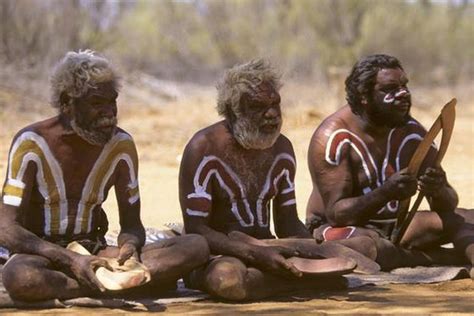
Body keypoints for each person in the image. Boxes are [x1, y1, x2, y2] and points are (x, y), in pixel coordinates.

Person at [0, 50, 209, 301]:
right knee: (21, 277)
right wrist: (71, 259)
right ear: (67, 102)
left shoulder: (121, 146)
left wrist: (129, 248)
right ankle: (122, 284)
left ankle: (94, 283)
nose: (110, 112)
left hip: (97, 250)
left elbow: (132, 225)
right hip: (43, 253)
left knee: (194, 246)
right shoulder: (31, 144)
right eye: (97, 103)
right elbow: (6, 228)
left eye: (113, 101)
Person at [178, 59, 377, 301]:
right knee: (228, 280)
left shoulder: (282, 149)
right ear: (233, 111)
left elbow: (287, 222)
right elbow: (197, 230)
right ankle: (308, 282)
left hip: (271, 246)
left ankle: (290, 278)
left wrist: (313, 247)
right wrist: (253, 254)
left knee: (363, 247)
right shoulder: (204, 148)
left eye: (275, 104)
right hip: (220, 253)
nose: (272, 114)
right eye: (258, 106)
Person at [306, 54, 474, 271]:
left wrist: (439, 188)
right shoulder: (334, 137)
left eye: (404, 86)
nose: (403, 94)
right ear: (364, 96)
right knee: (369, 246)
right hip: (340, 231)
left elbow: (447, 205)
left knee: (466, 218)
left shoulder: (412, 134)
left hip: (397, 226)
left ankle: (451, 258)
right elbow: (337, 214)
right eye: (390, 89)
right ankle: (439, 258)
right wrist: (386, 192)